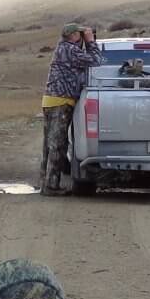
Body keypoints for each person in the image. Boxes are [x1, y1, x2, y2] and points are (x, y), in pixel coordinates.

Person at [39, 21, 105, 195]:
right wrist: (90, 41)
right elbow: (96, 60)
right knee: (57, 145)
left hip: (52, 100)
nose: (82, 36)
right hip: (60, 102)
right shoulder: (70, 49)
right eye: (80, 34)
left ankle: (45, 183)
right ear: (74, 35)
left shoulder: (64, 48)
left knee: (49, 144)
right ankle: (51, 187)